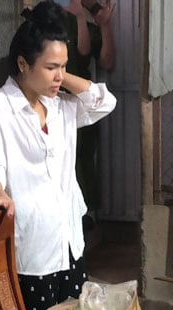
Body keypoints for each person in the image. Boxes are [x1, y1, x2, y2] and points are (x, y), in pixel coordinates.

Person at [0, 1, 117, 310]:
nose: (59, 76)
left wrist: (59, 77)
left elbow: (105, 102)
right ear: (23, 64)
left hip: (69, 241)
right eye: (51, 67)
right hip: (32, 246)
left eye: (64, 66)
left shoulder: (62, 105)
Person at [57, 0, 116, 225]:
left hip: (77, 99)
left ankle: (85, 214)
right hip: (50, 99)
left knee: (82, 155)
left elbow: (100, 59)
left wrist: (99, 24)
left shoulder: (93, 16)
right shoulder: (51, 14)